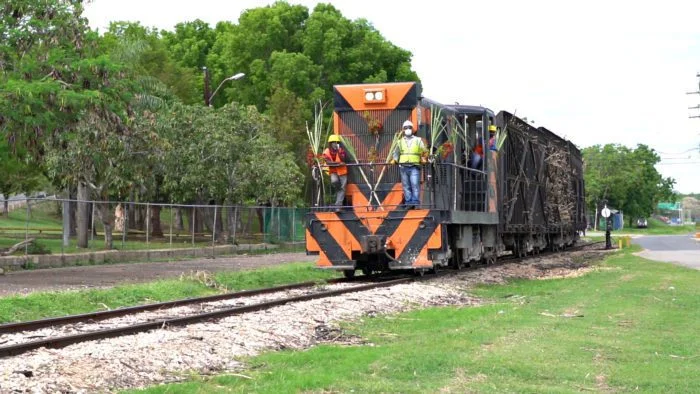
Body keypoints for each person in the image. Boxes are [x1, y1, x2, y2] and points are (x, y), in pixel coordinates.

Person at [392, 120, 426, 209]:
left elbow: (424, 151)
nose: (408, 129)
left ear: (412, 129)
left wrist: (424, 158)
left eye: (409, 127)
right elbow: (396, 152)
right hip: (403, 166)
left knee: (415, 184)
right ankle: (408, 203)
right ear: (403, 130)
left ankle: (415, 202)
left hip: (414, 166)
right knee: (406, 185)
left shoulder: (418, 140)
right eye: (406, 128)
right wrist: (395, 159)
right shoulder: (400, 141)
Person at [322, 134, 348, 208]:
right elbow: (328, 163)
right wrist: (338, 164)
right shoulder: (326, 152)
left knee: (343, 188)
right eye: (333, 142)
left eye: (337, 142)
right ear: (330, 144)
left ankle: (338, 206)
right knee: (334, 181)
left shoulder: (341, 151)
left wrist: (339, 152)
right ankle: (339, 191)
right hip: (333, 171)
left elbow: (343, 160)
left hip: (342, 172)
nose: (335, 144)